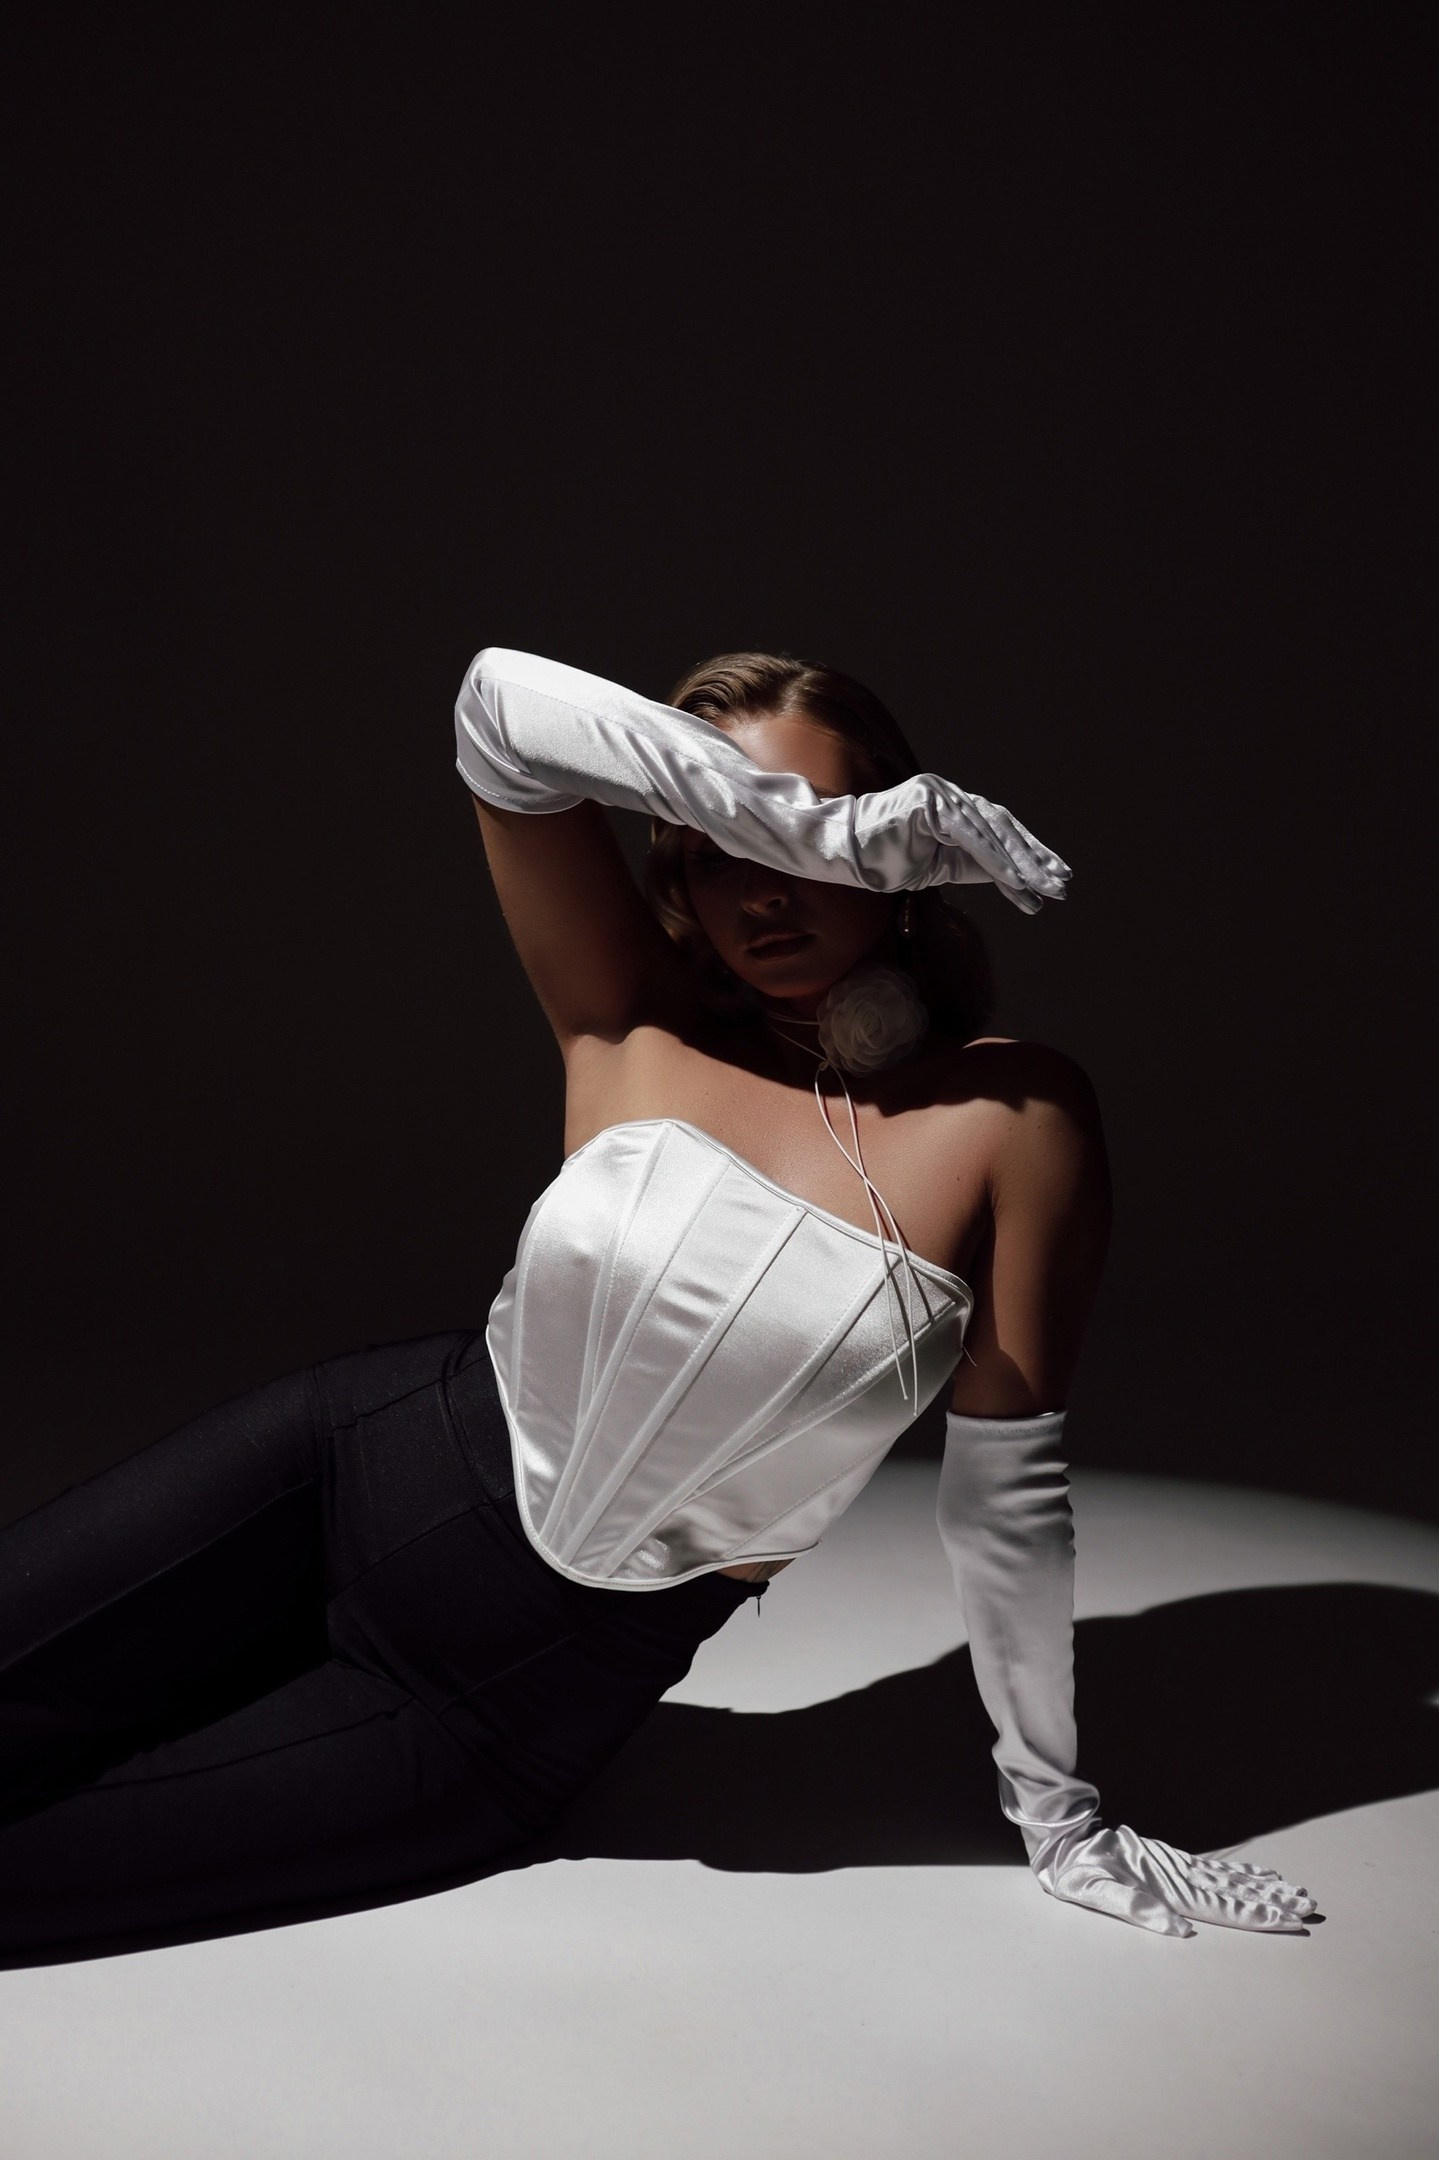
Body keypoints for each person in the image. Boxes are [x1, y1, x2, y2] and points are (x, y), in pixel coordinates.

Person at [0, 646, 1315, 1963]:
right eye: (722, 843)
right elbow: (495, 709)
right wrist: (818, 830)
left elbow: (1006, 1498)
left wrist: (1061, 1818)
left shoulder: (1015, 1115)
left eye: (808, 837)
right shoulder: (634, 1012)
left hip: (494, 1706)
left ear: (907, 862)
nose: (764, 888)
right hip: (335, 1471)